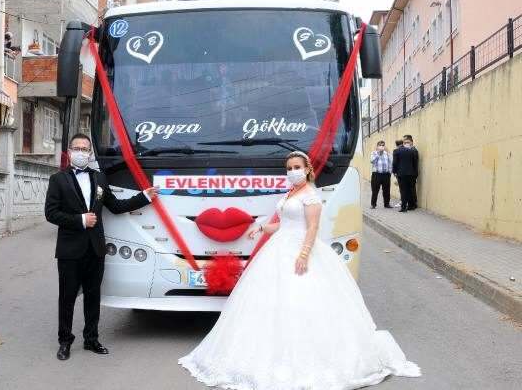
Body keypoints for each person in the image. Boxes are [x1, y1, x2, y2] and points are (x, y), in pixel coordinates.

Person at [179, 151, 421, 389]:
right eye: (289, 168)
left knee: (304, 299)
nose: (292, 171)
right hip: (278, 248)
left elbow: (312, 227)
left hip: (301, 251)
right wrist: (262, 228)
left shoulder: (311, 196)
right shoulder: (291, 193)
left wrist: (303, 255)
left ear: (307, 170)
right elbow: (284, 225)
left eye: (297, 167)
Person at [45, 133, 158, 361]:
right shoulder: (58, 179)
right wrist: (80, 220)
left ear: (89, 153)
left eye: (85, 149)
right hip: (69, 250)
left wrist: (143, 197)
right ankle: (65, 341)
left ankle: (91, 339)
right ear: (69, 151)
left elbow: (115, 206)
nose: (80, 152)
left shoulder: (100, 178)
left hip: (95, 249)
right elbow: (51, 213)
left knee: (93, 296)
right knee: (66, 298)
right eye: (76, 148)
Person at [392, 138, 418, 212]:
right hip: (411, 174)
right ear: (403, 144)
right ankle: (411, 206)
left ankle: (403, 207)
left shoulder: (396, 151)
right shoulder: (411, 151)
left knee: (403, 190)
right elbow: (414, 163)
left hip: (401, 174)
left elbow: (395, 163)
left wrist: (394, 172)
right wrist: (415, 174)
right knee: (410, 189)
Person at [370, 140, 392, 209]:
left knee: (386, 190)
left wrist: (390, 172)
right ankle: (373, 204)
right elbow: (372, 161)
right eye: (380, 145)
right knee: (375, 190)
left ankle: (387, 204)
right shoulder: (374, 153)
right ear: (377, 146)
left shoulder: (387, 153)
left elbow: (390, 162)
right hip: (376, 174)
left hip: (386, 174)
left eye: (383, 145)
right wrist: (379, 154)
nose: (381, 146)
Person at [403, 135, 418, 209]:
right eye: (404, 142)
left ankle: (413, 204)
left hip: (412, 173)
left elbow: (415, 163)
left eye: (407, 142)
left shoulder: (414, 150)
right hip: (407, 173)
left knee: (411, 189)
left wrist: (415, 174)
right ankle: (411, 204)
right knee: (408, 189)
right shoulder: (407, 150)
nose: (406, 144)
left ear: (411, 142)